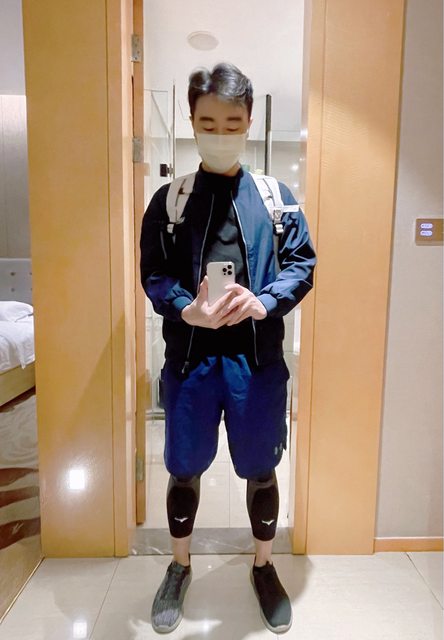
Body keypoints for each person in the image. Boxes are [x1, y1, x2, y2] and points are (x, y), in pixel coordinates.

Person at [139, 62, 317, 635]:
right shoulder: (169, 201)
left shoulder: (275, 198)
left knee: (261, 468)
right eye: (208, 124)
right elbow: (154, 273)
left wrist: (264, 301)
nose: (220, 134)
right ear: (191, 121)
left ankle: (263, 567)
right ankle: (179, 564)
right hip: (190, 363)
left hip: (257, 365)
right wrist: (184, 307)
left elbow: (302, 264)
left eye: (232, 124)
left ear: (249, 121)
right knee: (183, 466)